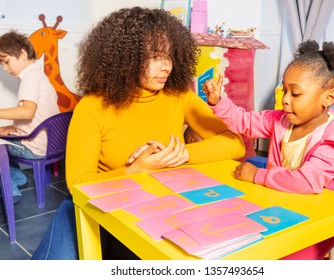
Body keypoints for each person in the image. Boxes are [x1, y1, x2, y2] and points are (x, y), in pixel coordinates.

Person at [31, 7, 245, 260]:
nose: (166, 66)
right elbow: (77, 183)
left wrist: (178, 155)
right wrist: (135, 170)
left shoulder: (180, 96)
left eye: (169, 56)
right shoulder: (92, 107)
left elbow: (235, 144)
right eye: (154, 57)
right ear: (125, 58)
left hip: (158, 203)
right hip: (97, 202)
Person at [203, 40, 334, 259]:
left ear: (329, 97)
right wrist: (219, 102)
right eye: (284, 90)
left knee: (283, 258)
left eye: (295, 94)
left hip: (322, 217)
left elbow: (307, 182)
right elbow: (244, 121)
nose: (285, 100)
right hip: (281, 205)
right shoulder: (280, 119)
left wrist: (257, 175)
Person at [0, 30, 60, 213]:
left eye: (6, 62)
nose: (6, 69)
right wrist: (11, 127)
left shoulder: (29, 78)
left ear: (22, 54)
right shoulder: (40, 76)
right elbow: (37, 117)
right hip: (49, 144)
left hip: (34, 147)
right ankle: (16, 177)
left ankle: (9, 190)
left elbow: (27, 112)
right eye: (2, 65)